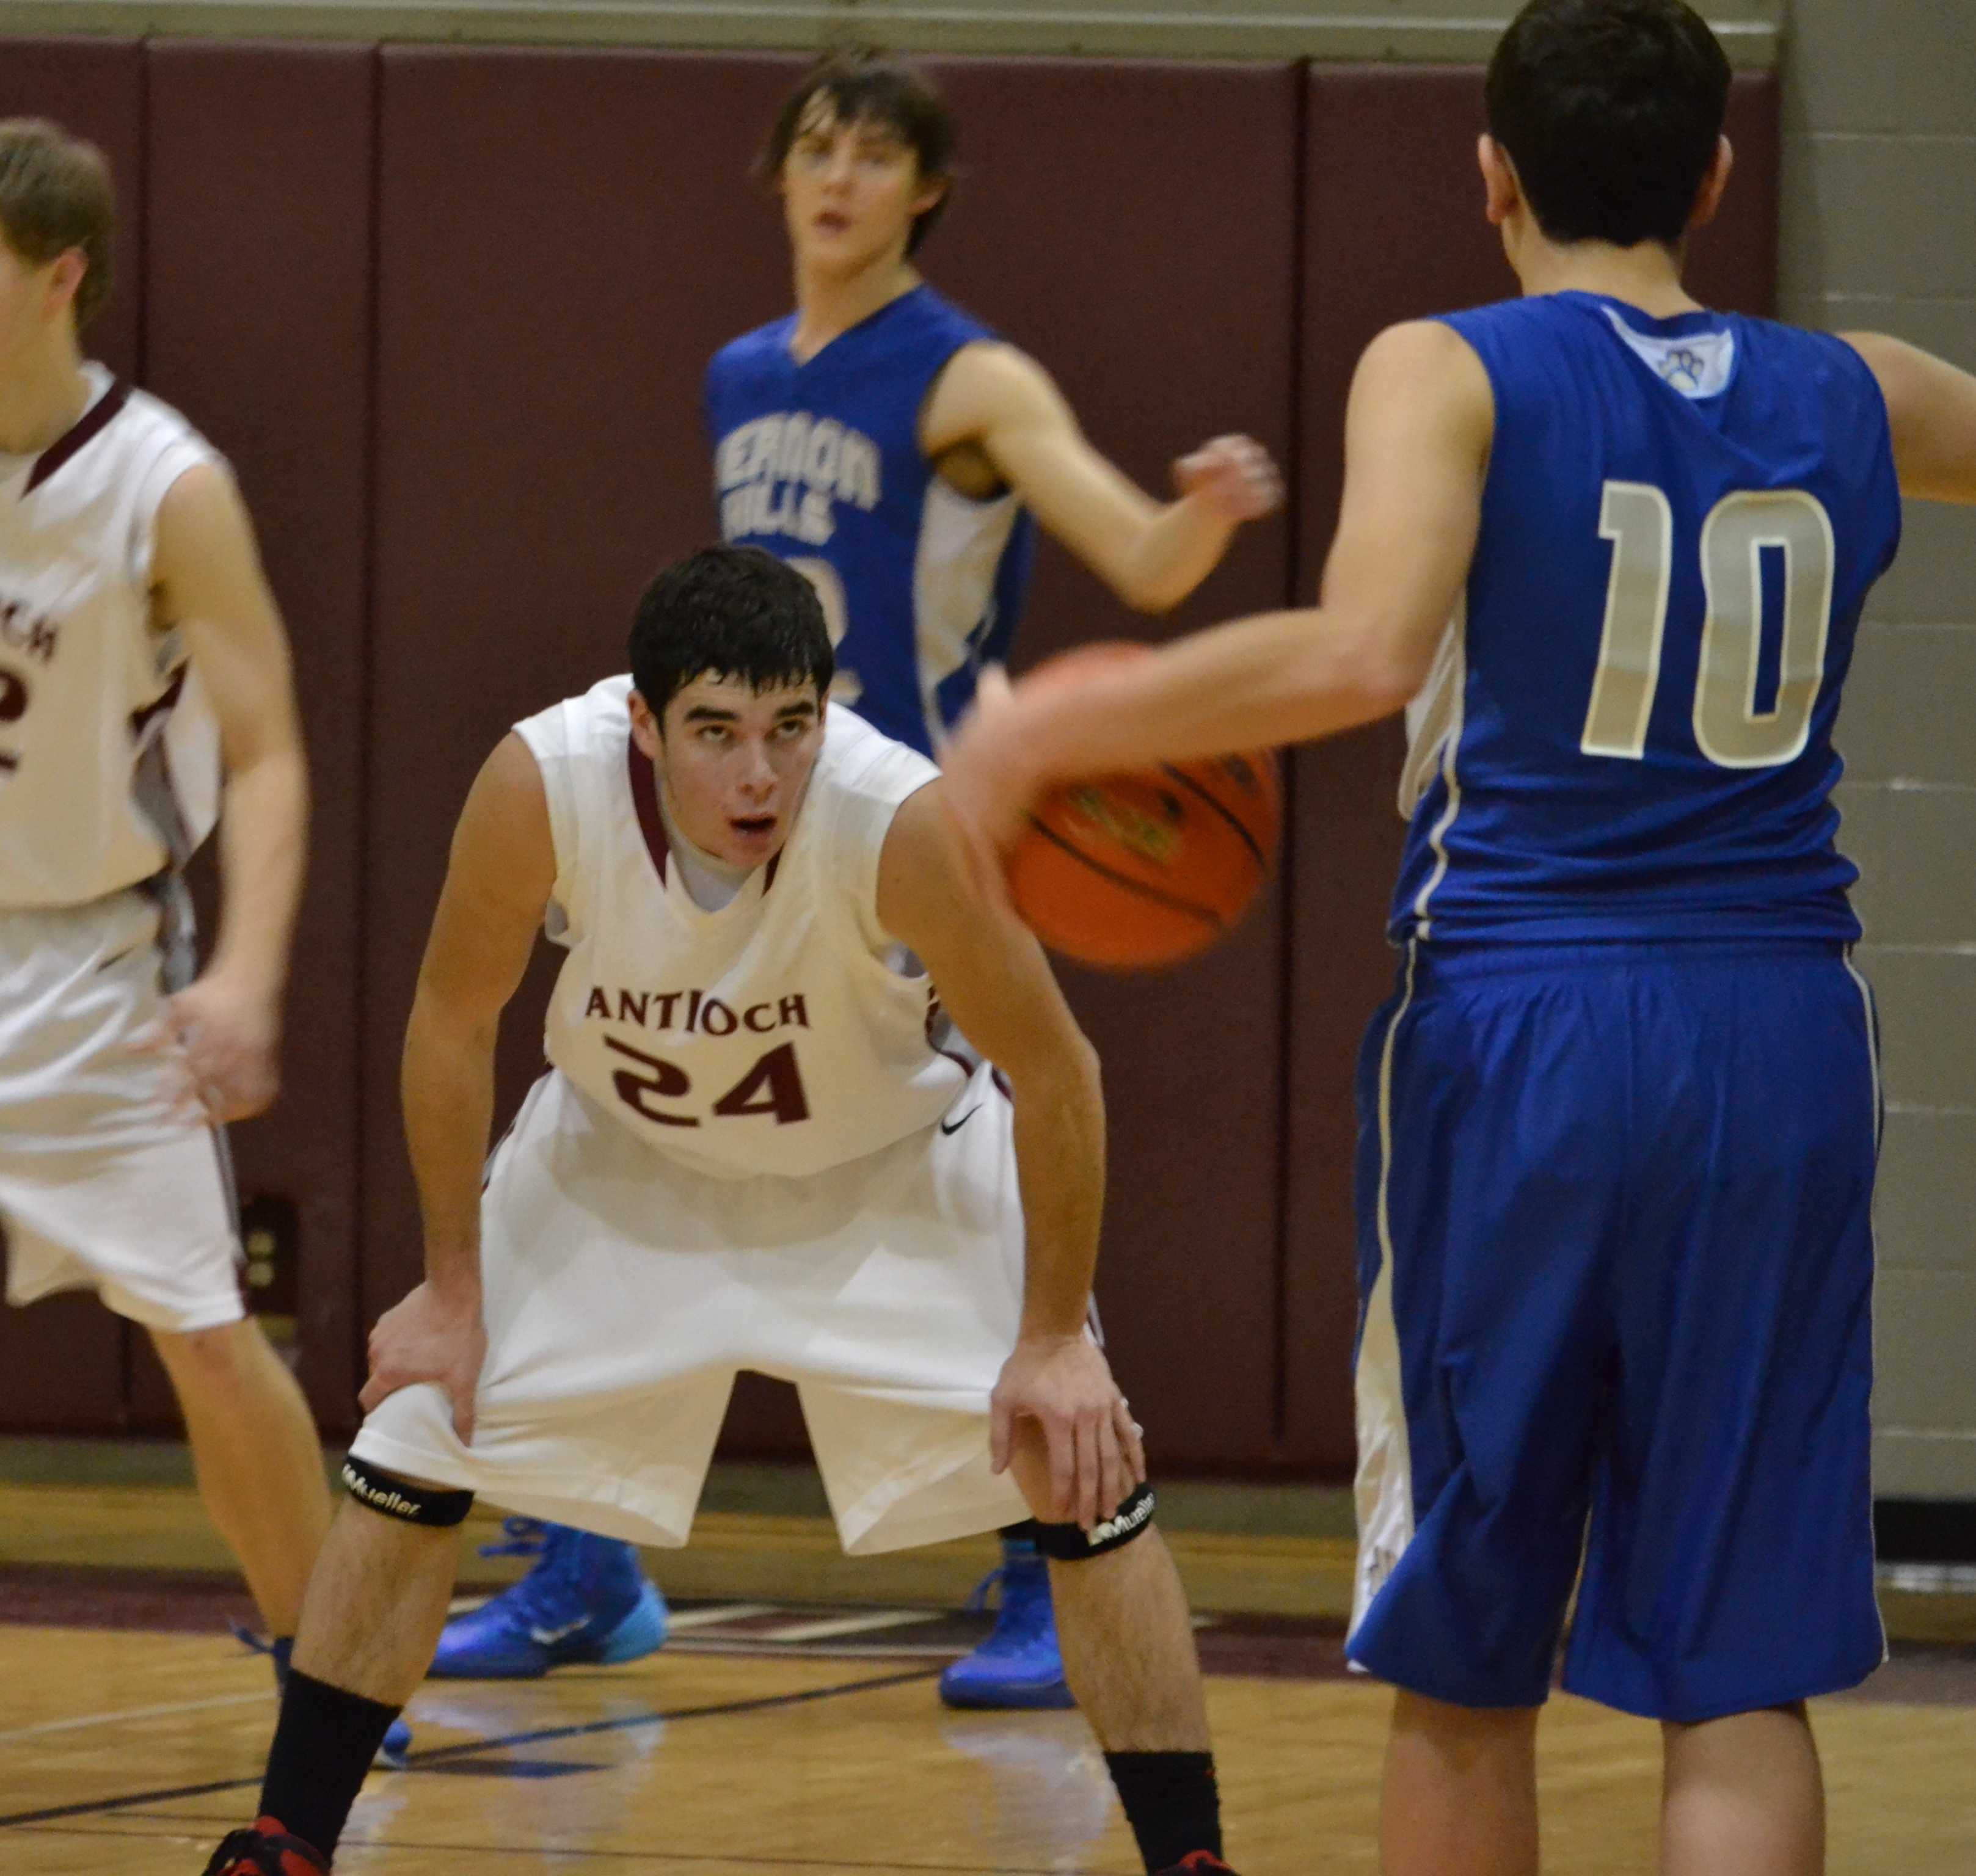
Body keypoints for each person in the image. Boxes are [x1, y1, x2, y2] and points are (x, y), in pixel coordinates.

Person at [938, 2, 1976, 1871]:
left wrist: (1045, 726)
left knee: (1469, 1647)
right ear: (1715, 178)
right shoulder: (1859, 388)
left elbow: (1356, 653)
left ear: (1488, 175)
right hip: (1782, 1032)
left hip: (1528, 1022)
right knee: (1739, 1666)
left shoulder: (1450, 367)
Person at [434, 51, 1283, 1712]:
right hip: (764, 816)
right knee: (617, 1125)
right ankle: (585, 1565)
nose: (837, 177)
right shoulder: (744, 372)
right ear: (779, 175)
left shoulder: (968, 378)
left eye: (875, 154)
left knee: (1000, 1162)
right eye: (814, 147)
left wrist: (1194, 521)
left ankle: (1045, 1557)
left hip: (917, 842)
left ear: (925, 190)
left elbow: (1132, 552)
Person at [202, 545, 1239, 1876]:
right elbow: (453, 1023)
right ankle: (286, 1840)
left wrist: (1054, 1338)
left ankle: (1192, 1862)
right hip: (623, 1165)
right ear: (643, 724)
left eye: (789, 728)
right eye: (716, 733)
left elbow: (1059, 1072)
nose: (759, 774)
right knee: (414, 1432)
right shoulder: (544, 783)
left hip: (886, 1175)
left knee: (1085, 1463)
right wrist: (451, 1289)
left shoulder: (897, 819)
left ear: (825, 713)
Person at [0, 119, 406, 1764]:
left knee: (200, 1338)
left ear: (58, 275)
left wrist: (245, 972)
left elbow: (269, 751)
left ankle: (330, 1694)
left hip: (98, 966)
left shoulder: (165, 482)